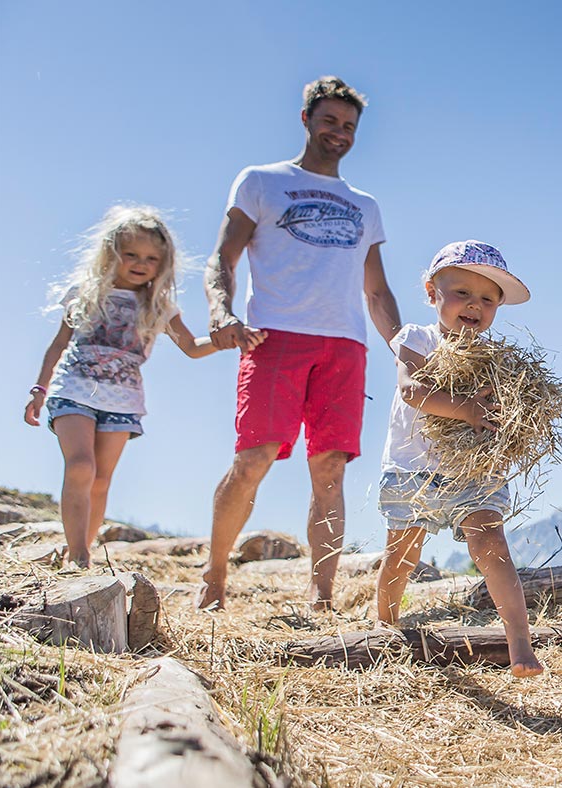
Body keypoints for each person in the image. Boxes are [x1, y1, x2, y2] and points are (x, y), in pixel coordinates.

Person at [198, 76, 401, 611]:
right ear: (307, 119)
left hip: (344, 346)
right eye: (330, 121)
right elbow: (221, 259)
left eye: (349, 126)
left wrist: (406, 349)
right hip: (275, 337)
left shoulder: (365, 205)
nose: (339, 133)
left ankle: (322, 592)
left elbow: (376, 289)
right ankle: (214, 576)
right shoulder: (262, 182)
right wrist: (221, 312)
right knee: (254, 458)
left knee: (330, 467)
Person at [23, 206, 264, 568]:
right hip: (72, 388)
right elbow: (59, 344)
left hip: (122, 399)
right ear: (111, 253)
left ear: (162, 263)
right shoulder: (85, 293)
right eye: (131, 254)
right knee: (80, 467)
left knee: (101, 480)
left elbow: (191, 347)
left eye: (151, 258)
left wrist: (223, 340)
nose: (140, 263)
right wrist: (39, 389)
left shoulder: (159, 305)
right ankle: (79, 555)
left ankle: (81, 551)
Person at [375, 240, 544, 677]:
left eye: (488, 299)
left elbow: (514, 413)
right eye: (462, 293)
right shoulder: (416, 338)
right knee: (402, 555)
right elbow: (411, 391)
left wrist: (518, 425)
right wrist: (468, 409)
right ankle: (382, 629)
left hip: (474, 474)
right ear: (432, 294)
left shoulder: (498, 361)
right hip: (414, 471)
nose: (475, 305)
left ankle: (520, 646)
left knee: (492, 546)